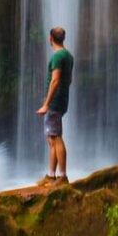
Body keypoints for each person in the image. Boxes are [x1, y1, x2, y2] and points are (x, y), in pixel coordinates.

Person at [36, 26, 74, 185]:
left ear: (50, 38)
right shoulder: (68, 56)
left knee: (56, 137)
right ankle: (51, 175)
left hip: (54, 103)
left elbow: (55, 80)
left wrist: (46, 104)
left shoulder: (58, 56)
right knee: (52, 138)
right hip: (61, 100)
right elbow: (69, 80)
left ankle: (63, 176)